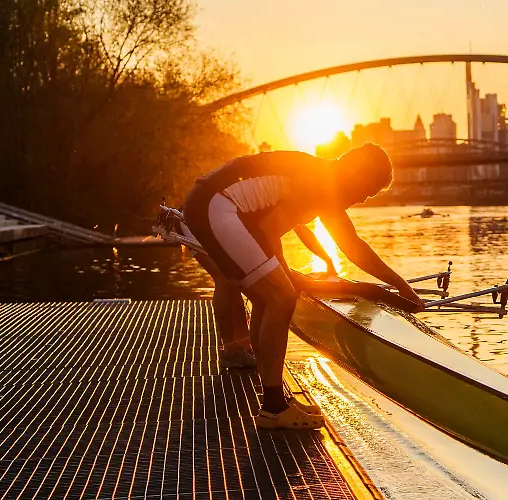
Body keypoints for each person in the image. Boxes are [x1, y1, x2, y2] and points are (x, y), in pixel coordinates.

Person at [180, 143, 425, 429]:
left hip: (208, 203)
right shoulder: (318, 181)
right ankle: (273, 408)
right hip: (215, 205)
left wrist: (401, 285)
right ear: (357, 173)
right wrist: (289, 280)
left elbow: (353, 247)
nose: (361, 200)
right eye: (367, 190)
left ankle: (273, 396)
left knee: (265, 299)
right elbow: (267, 231)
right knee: (282, 296)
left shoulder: (325, 180)